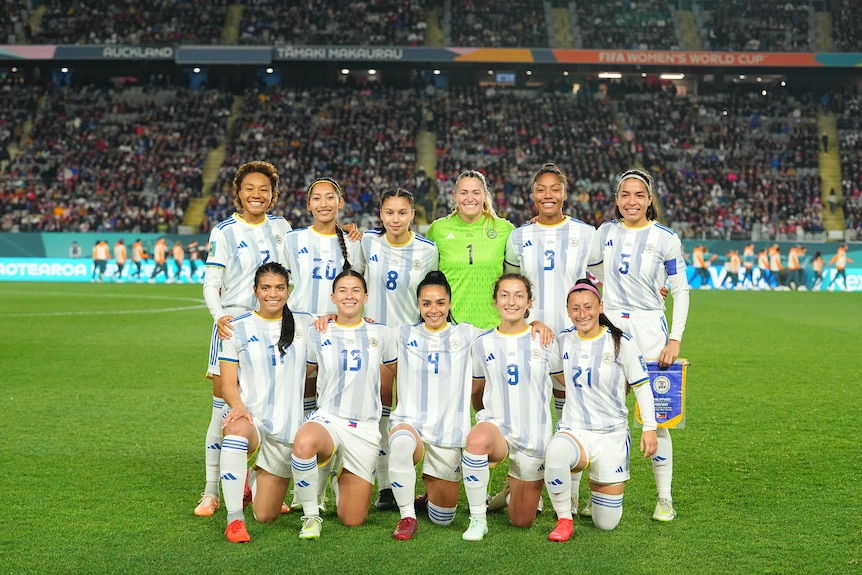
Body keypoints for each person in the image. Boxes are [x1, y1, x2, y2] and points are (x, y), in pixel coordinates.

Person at [588, 169, 689, 522]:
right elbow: (590, 272)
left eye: (639, 195)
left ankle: (664, 499)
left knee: (657, 418)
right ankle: (598, 495)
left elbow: (680, 290)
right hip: (610, 327)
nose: (632, 201)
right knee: (601, 412)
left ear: (649, 200)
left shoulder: (666, 238)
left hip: (650, 330)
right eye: (625, 195)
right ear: (617, 200)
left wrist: (674, 339)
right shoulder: (604, 233)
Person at [196, 161, 292, 518]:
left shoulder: (282, 228)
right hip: (234, 325)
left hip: (274, 327)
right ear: (238, 192)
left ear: (273, 195)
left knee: (269, 406)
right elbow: (210, 283)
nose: (257, 194)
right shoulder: (224, 231)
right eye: (250, 188)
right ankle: (210, 492)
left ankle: (256, 484)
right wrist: (219, 316)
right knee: (223, 410)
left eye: (264, 189)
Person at [544, 279, 657, 541]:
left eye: (588, 307)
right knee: (556, 452)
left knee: (606, 523)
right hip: (576, 430)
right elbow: (558, 376)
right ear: (568, 310)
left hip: (611, 436)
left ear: (600, 306)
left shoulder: (620, 342)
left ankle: (598, 492)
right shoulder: (563, 341)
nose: (582, 314)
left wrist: (649, 428)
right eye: (575, 309)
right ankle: (564, 518)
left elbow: (641, 386)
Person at [290, 270, 397, 539]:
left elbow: (399, 374)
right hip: (329, 418)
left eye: (356, 291)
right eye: (343, 291)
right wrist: (304, 415)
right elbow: (308, 376)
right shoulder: (317, 332)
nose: (349, 296)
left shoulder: (381, 333)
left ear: (366, 297)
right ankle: (311, 516)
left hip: (365, 428)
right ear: (333, 297)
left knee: (352, 519)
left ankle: (340, 476)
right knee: (304, 443)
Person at [217, 262, 314, 543]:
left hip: (287, 429)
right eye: (266, 288)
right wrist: (239, 407)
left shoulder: (305, 323)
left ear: (288, 290)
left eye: (280, 287)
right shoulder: (236, 327)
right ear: (255, 291)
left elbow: (340, 324)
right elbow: (227, 385)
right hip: (252, 420)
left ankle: (251, 479)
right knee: (235, 432)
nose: (273, 294)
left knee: (266, 515)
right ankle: (234, 519)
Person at [461, 273, 561, 541]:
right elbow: (478, 389)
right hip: (499, 426)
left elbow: (564, 384)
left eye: (519, 295)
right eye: (504, 295)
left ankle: (508, 492)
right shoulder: (482, 343)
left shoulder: (546, 340)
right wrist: (482, 423)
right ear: (495, 302)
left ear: (529, 302)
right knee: (477, 440)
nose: (511, 301)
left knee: (521, 521)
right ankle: (477, 519)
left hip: (534, 437)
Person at [360, 187, 438, 511]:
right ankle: (385, 486)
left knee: (414, 413)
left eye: (402, 212)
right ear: (380, 214)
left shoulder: (427, 249)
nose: (395, 219)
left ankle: (419, 483)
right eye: (389, 212)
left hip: (411, 341)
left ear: (412, 215)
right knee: (379, 411)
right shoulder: (366, 242)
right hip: (374, 339)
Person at [504, 162, 598, 335]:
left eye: (555, 189)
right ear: (533, 195)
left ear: (564, 194)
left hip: (576, 335)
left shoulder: (587, 233)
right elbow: (510, 286)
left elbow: (608, 280)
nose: (548, 195)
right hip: (531, 333)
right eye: (541, 190)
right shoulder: (518, 237)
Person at [426, 170, 515, 330]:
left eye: (476, 192)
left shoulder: (504, 229)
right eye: (464, 193)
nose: (470, 198)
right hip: (450, 328)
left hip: (494, 327)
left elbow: (516, 277)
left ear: (485, 195)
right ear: (455, 196)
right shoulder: (438, 230)